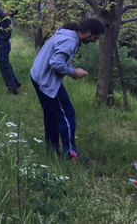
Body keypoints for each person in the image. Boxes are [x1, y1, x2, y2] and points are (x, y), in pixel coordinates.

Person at [30, 18, 104, 159]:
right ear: (88, 32)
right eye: (95, 37)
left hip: (38, 76)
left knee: (52, 115)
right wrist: (74, 72)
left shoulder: (66, 34)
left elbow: (57, 60)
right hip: (47, 81)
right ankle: (71, 155)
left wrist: (71, 70)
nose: (95, 41)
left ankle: (52, 150)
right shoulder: (70, 41)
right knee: (67, 115)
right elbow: (56, 63)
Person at [0, 0, 21, 94]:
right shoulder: (6, 19)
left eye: (8, 8)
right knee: (6, 64)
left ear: (11, 13)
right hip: (3, 44)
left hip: (2, 45)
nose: (5, 8)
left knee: (3, 65)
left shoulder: (7, 19)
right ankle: (15, 82)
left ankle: (12, 88)